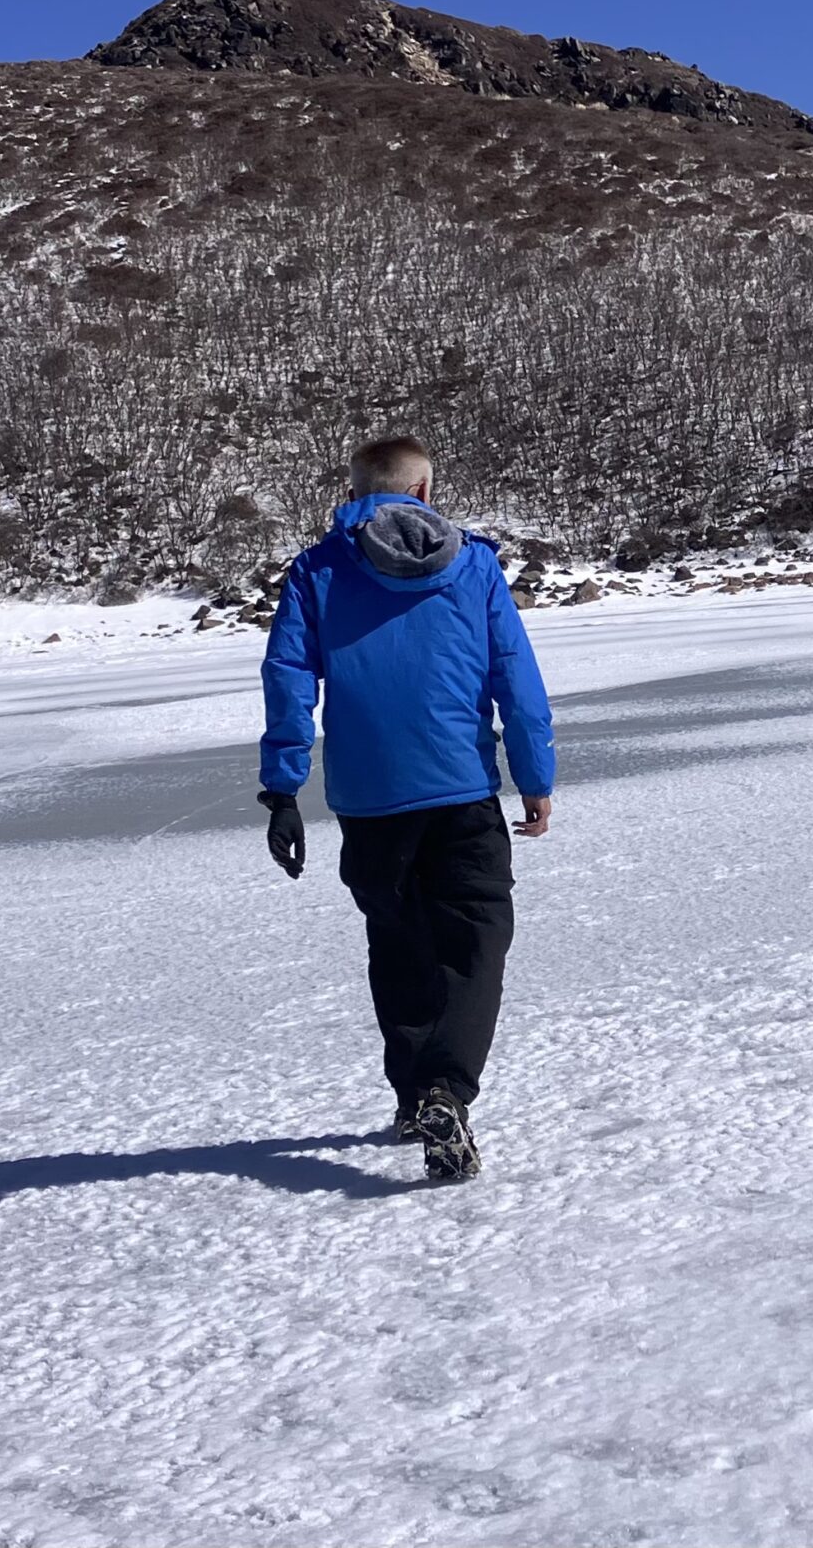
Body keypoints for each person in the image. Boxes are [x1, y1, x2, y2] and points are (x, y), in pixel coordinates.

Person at [257, 434, 556, 1183]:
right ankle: (446, 1092)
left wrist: (283, 789)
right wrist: (534, 775)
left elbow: (289, 680)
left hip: (367, 802)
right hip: (459, 791)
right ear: (424, 491)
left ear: (355, 488)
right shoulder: (475, 562)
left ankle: (413, 1094)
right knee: (473, 946)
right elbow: (515, 678)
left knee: (398, 946)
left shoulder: (317, 570)